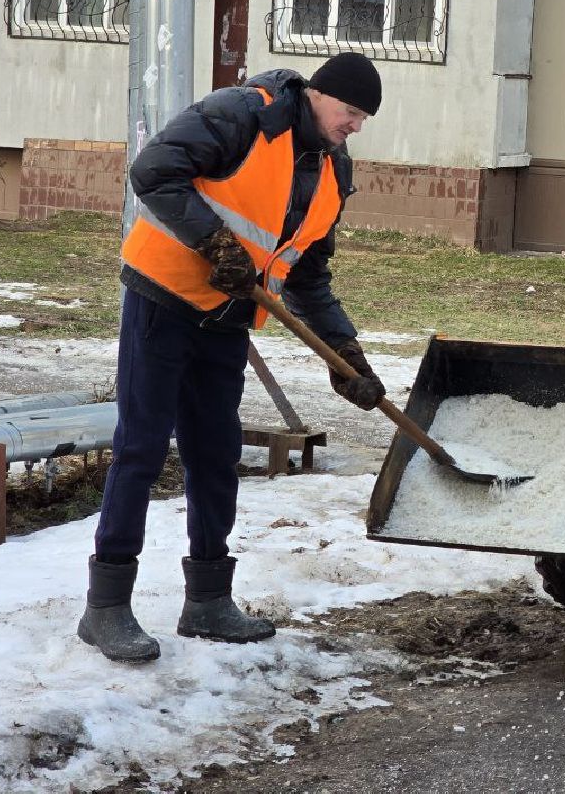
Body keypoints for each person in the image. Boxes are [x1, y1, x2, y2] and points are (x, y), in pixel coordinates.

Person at [77, 53, 388, 664]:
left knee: (216, 452)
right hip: (162, 299)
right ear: (319, 94)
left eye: (364, 118)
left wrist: (344, 352)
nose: (356, 126)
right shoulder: (243, 114)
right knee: (141, 447)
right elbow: (153, 171)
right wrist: (213, 241)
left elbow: (308, 271)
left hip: (226, 317)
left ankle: (208, 601)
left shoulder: (330, 169)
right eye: (351, 111)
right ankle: (106, 607)